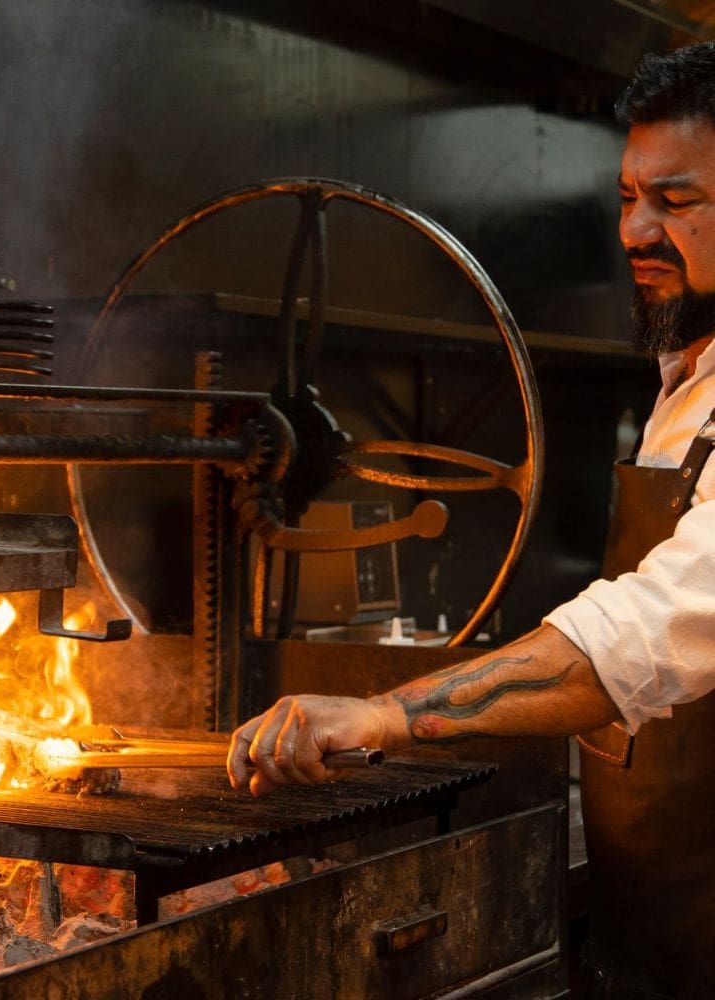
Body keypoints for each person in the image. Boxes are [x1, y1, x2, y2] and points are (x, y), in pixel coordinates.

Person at [227, 42, 715, 1000]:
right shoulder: (684, 387)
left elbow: (651, 631)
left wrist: (386, 713)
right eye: (627, 197)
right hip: (657, 918)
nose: (637, 230)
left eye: (679, 200)